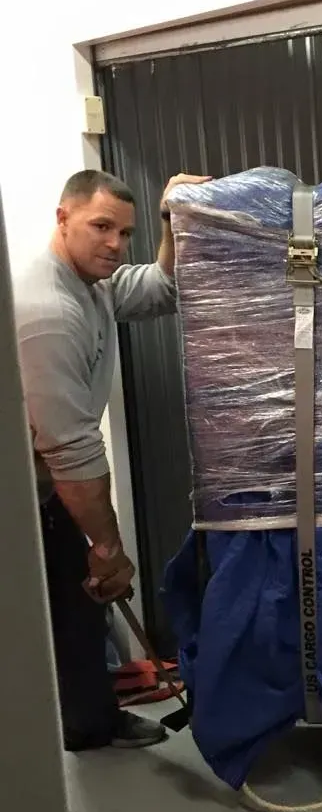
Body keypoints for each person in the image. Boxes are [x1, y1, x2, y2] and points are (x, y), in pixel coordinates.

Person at [15, 168, 211, 752]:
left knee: (77, 608)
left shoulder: (91, 283)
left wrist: (171, 224)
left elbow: (162, 289)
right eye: (102, 227)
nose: (115, 245)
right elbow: (71, 452)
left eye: (125, 233)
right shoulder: (48, 310)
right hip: (33, 486)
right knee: (71, 601)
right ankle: (72, 728)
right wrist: (109, 550)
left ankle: (88, 721)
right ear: (62, 218)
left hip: (48, 480)